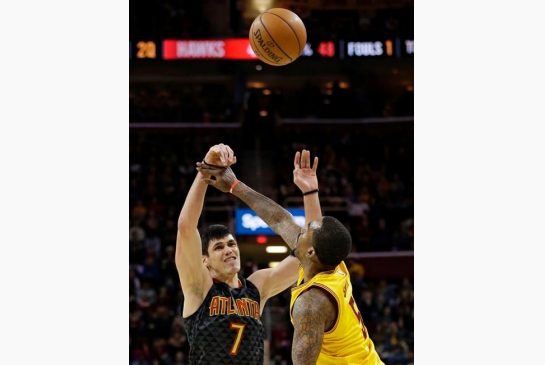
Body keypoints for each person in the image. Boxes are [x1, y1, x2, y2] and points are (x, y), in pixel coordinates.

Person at [200, 149, 384, 365]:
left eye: (306, 231)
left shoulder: (311, 304)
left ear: (311, 252)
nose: (300, 231)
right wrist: (234, 185)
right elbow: (279, 219)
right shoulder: (331, 264)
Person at [177, 144, 308, 364]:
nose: (229, 250)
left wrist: (309, 193)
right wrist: (206, 170)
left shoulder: (257, 287)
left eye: (231, 244)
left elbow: (308, 252)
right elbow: (186, 227)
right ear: (205, 262)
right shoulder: (200, 288)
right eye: (219, 248)